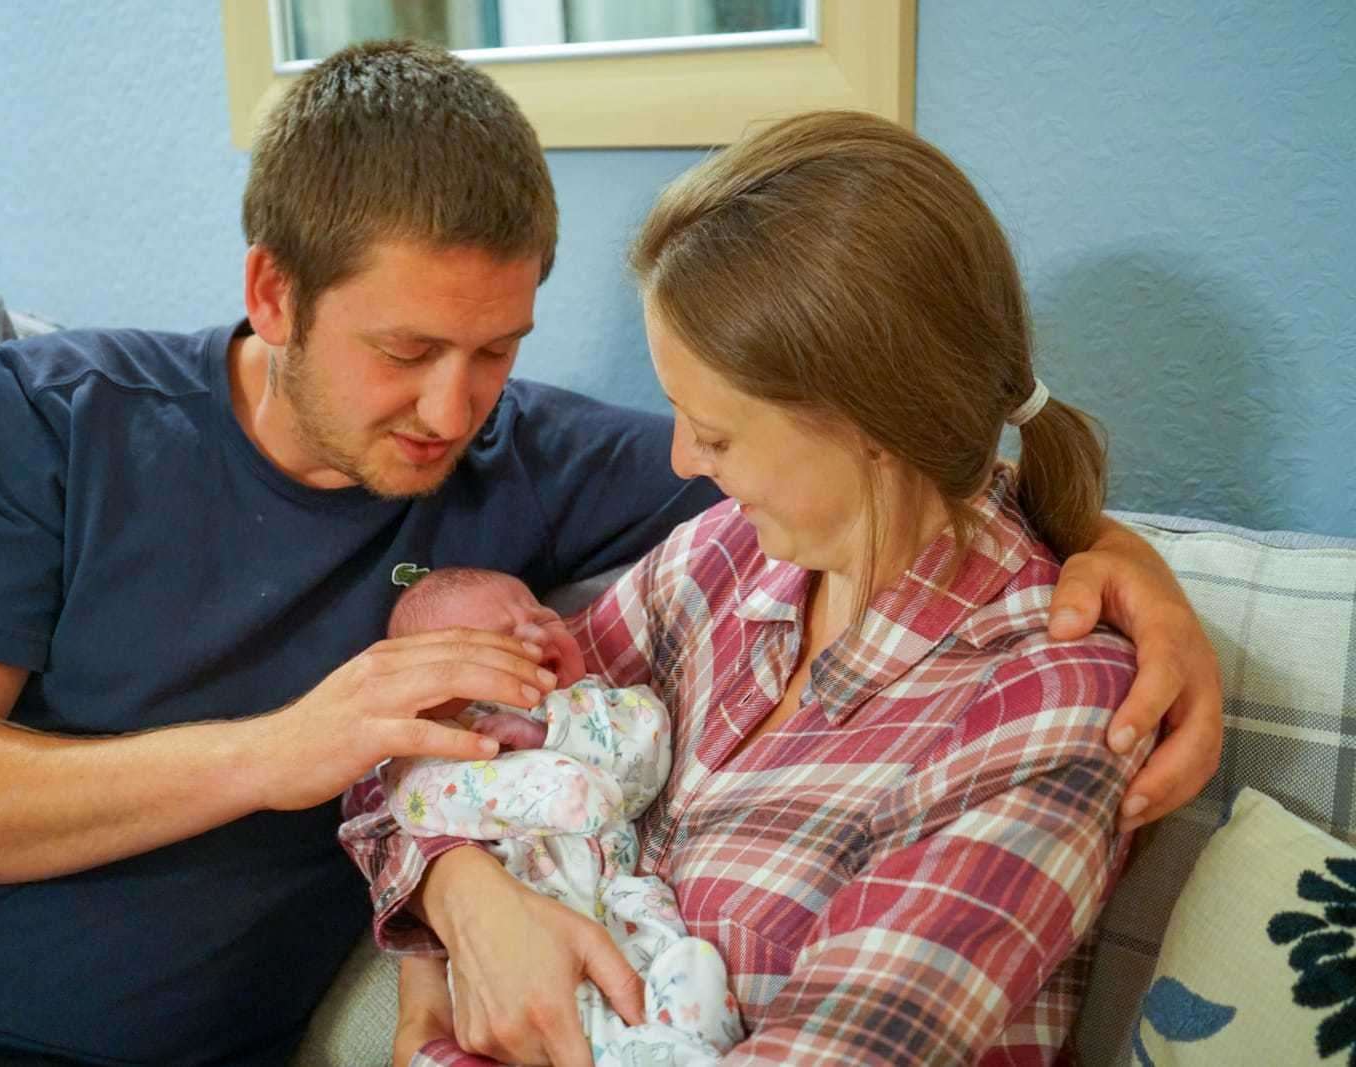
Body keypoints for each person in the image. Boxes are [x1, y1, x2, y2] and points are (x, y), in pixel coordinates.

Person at [0, 38, 1218, 1065]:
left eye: (499, 351)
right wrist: (300, 760)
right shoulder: (58, 415)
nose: (454, 410)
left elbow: (887, 460)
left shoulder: (577, 475)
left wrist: (1119, 561)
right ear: (273, 291)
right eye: (406, 350)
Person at [350, 110, 1190, 1067]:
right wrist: (465, 894)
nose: (679, 458)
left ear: (870, 420)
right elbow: (406, 740)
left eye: (714, 431)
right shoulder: (718, 564)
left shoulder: (1036, 708)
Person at [367, 567, 744, 1065]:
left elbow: (646, 758)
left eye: (543, 616)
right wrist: (526, 774)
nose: (533, 632)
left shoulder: (599, 705)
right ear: (437, 684)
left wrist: (551, 734)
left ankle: (685, 1048)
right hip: (518, 938)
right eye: (499, 640)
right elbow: (415, 806)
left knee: (694, 964)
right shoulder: (433, 752)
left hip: (626, 910)